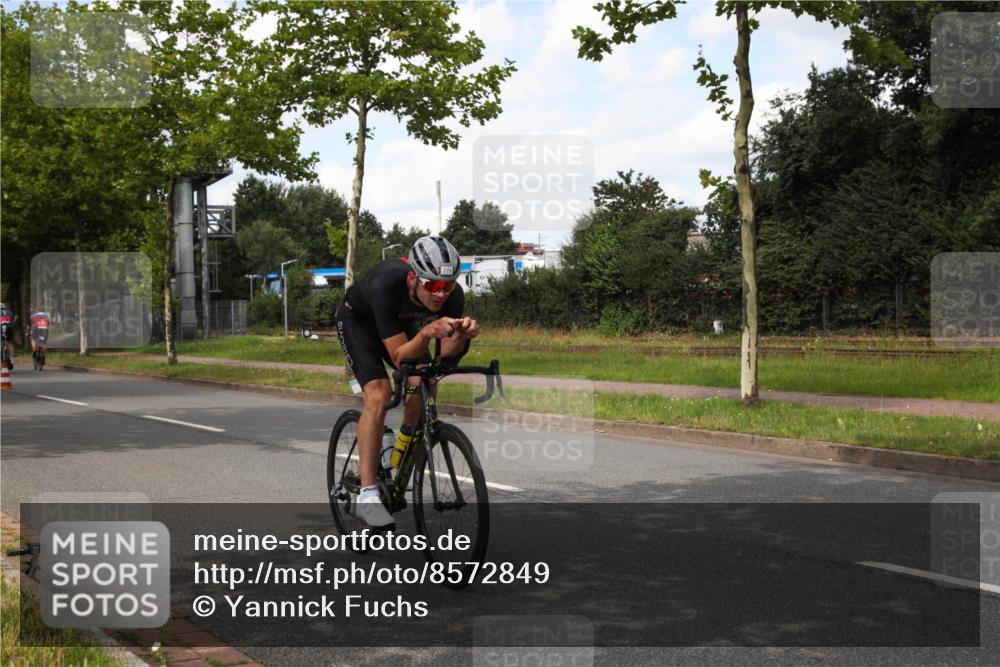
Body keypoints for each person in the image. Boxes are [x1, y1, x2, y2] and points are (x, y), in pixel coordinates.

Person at [334, 236, 479, 529]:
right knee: (379, 394)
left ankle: (398, 460)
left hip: (399, 324)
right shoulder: (386, 284)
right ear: (413, 278)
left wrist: (461, 338)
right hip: (358, 324)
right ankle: (367, 495)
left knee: (425, 383)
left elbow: (443, 361)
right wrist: (426, 334)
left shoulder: (452, 296)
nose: (441, 294)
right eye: (433, 285)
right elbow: (400, 356)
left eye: (447, 285)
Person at [0, 301, 15, 370]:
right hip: (10, 327)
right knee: (10, 342)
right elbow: (12, 320)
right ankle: (11, 359)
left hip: (1, 327)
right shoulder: (9, 312)